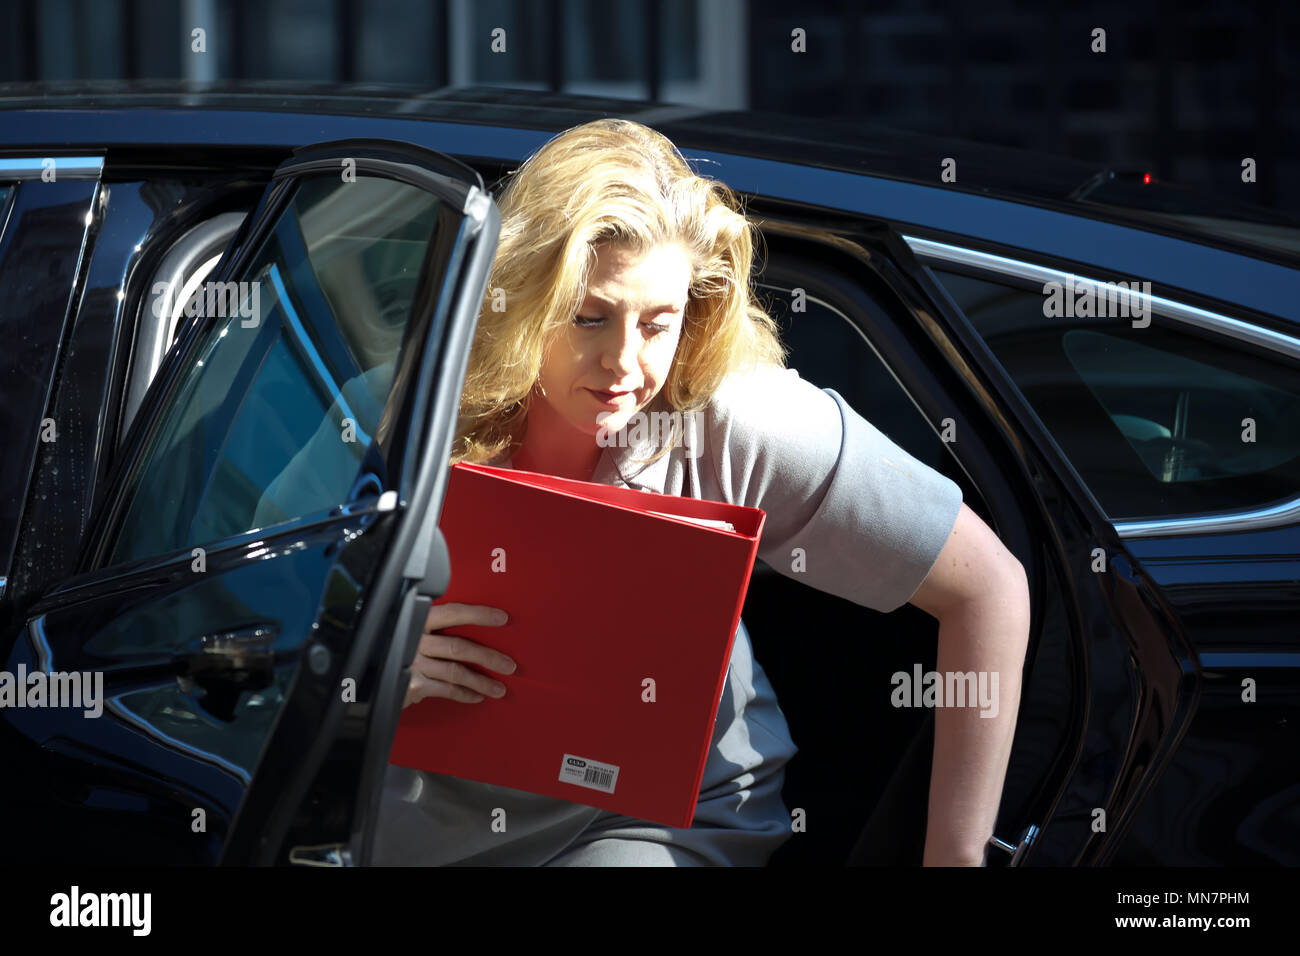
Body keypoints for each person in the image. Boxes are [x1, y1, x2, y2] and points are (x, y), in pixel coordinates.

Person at [372, 118, 1031, 866]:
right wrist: (371, 656)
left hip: (651, 826)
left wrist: (953, 858)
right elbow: (260, 607)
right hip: (414, 824)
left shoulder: (738, 415)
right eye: (589, 316)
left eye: (659, 322)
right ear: (520, 296)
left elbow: (990, 589)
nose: (624, 362)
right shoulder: (419, 405)